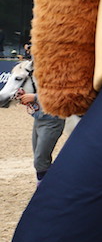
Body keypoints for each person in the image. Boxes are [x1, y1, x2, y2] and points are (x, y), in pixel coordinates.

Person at [0, 51, 68, 182]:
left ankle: (45, 187)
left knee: (40, 160)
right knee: (39, 160)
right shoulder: (39, 74)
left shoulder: (56, 72)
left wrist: (35, 97)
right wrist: (26, 98)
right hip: (39, 119)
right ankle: (47, 184)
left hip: (52, 120)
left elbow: (61, 94)